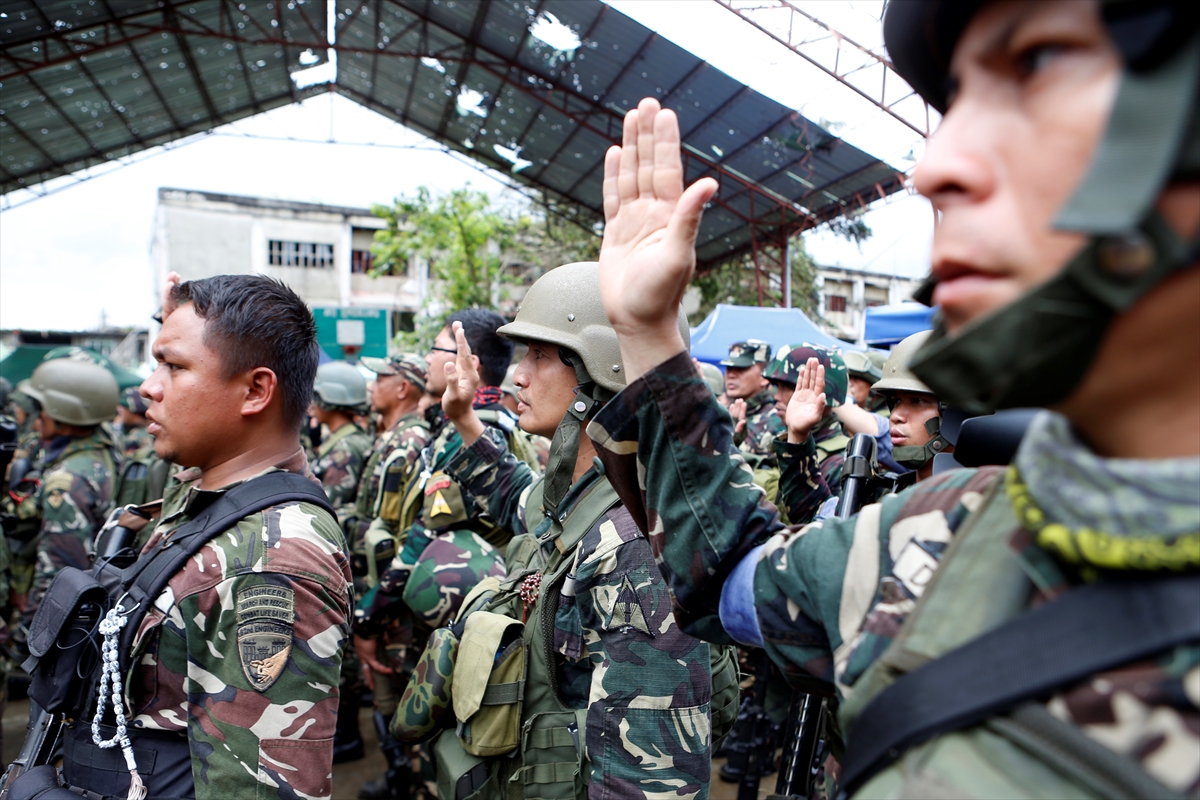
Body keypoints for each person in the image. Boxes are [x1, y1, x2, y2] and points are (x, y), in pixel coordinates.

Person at [589, 0, 1200, 792]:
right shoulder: (928, 533)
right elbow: (732, 580)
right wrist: (649, 335)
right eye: (952, 104)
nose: (933, 168)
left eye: (1041, 62)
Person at [429, 261, 723, 798]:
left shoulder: (633, 548)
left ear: (602, 372)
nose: (518, 374)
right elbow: (518, 497)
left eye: (540, 355)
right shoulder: (586, 491)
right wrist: (464, 419)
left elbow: (651, 781)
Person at [68, 273, 352, 799]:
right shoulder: (214, 489)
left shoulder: (271, 562)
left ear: (255, 390)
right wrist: (178, 324)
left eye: (173, 367)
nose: (148, 387)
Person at [351, 352, 432, 798]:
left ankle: (408, 785)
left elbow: (392, 546)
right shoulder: (392, 437)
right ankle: (401, 779)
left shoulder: (407, 444)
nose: (371, 384)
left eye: (379, 377)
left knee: (398, 700)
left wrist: (371, 617)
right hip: (381, 600)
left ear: (403, 387)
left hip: (389, 606)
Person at [16, 358, 120, 629]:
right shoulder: (104, 450)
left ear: (62, 415)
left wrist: (25, 641)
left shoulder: (68, 481)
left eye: (42, 410)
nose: (38, 419)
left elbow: (56, 577)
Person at [763, 345, 849, 525]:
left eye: (788, 386)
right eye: (776, 386)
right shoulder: (785, 440)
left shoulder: (841, 462)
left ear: (824, 393)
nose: (776, 396)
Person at [871, 331, 953, 484]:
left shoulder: (981, 499)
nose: (895, 416)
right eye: (895, 402)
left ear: (954, 412)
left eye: (917, 401)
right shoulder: (895, 493)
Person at [311, 360, 374, 531]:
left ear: (329, 399)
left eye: (316, 396)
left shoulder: (345, 448)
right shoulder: (342, 438)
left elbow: (328, 505)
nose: (312, 403)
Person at [722, 339, 785, 465]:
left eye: (741, 369)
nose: (731, 375)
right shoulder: (723, 412)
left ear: (764, 377)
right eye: (729, 368)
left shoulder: (776, 420)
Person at [114, 387, 155, 460]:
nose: (120, 413)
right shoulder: (152, 432)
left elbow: (116, 451)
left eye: (123, 410)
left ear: (132, 410)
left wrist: (116, 427)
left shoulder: (135, 437)